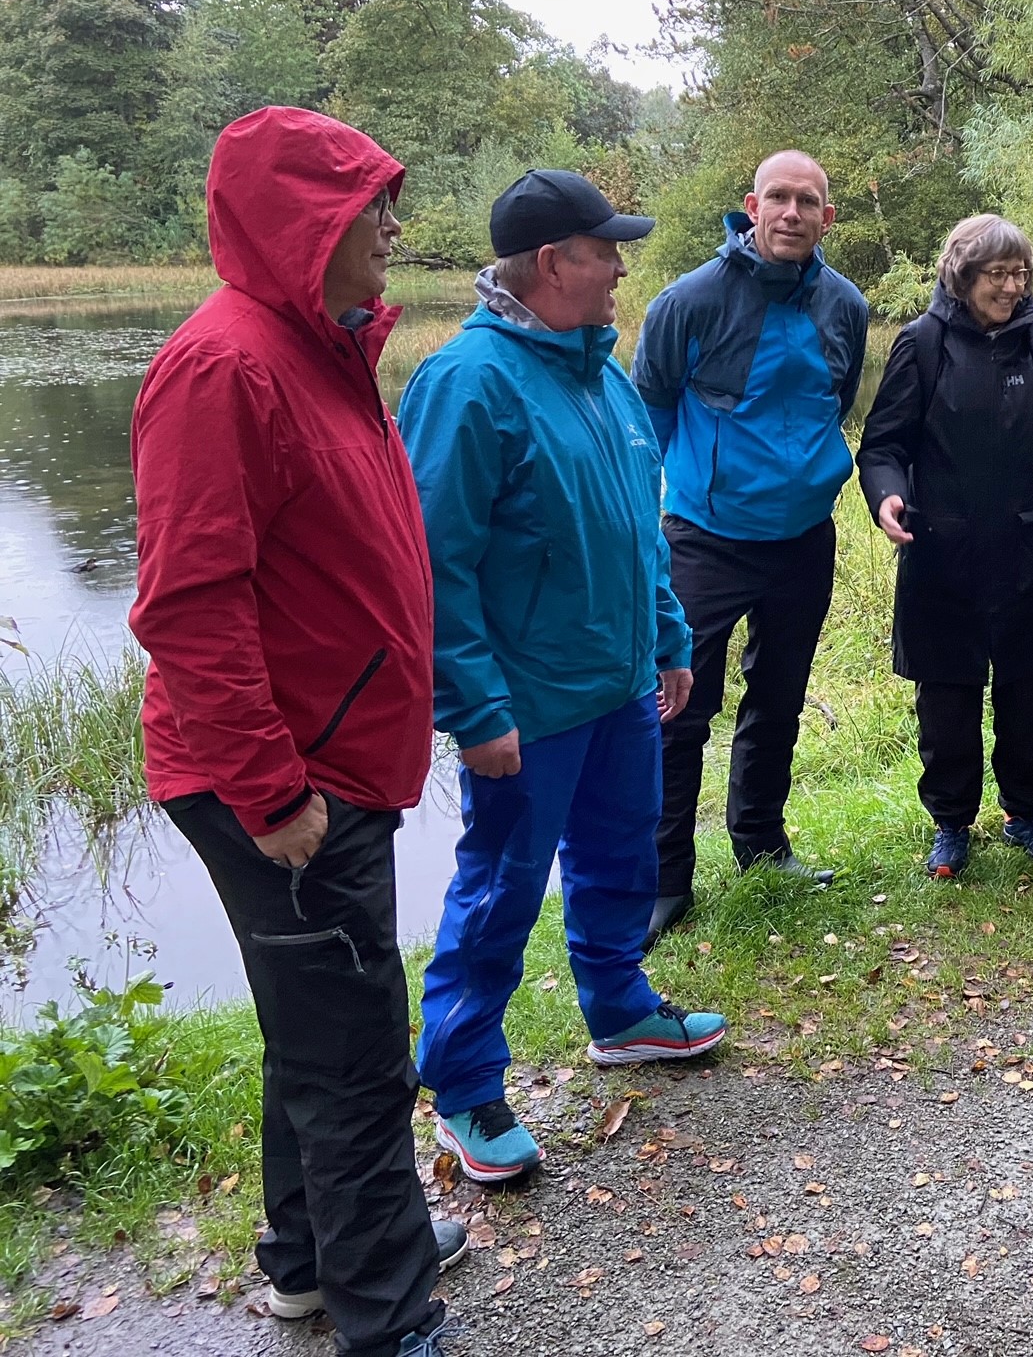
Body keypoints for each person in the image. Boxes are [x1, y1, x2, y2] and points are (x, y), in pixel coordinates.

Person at [129, 107, 462, 1357]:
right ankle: (392, 1318)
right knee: (357, 1049)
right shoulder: (225, 367)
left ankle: (309, 1260)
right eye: (368, 202)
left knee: (315, 1023)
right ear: (300, 220)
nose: (388, 223)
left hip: (333, 759)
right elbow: (188, 604)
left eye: (388, 197)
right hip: (284, 779)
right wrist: (271, 794)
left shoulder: (322, 351)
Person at [400, 170, 727, 1185]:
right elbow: (432, 563)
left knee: (621, 856)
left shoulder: (604, 374)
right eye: (605, 250)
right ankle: (462, 1086)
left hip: (622, 682)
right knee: (498, 892)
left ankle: (621, 1009)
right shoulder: (468, 383)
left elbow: (642, 528)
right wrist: (475, 708)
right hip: (528, 706)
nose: (623, 266)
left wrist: (668, 638)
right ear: (552, 264)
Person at [632, 151, 869, 941]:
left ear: (827, 218)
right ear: (751, 206)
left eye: (808, 201)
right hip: (704, 539)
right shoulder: (689, 301)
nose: (792, 213)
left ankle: (762, 846)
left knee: (779, 699)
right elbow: (648, 413)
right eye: (779, 198)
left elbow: (834, 401)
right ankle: (666, 880)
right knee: (679, 711)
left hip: (804, 537)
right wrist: (656, 512)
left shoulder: (846, 306)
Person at [856, 215, 1033, 877]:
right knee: (947, 703)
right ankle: (951, 825)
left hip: (1030, 556)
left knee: (1030, 698)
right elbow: (883, 446)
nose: (1012, 287)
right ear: (962, 277)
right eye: (997, 275)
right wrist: (886, 497)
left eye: (1021, 275)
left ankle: (1025, 813)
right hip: (941, 556)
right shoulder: (922, 345)